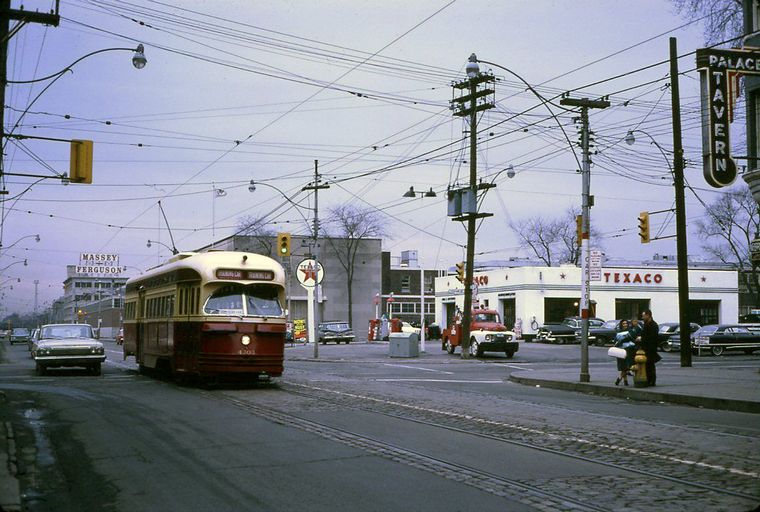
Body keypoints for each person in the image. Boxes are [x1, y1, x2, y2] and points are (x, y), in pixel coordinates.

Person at [636, 309, 660, 386]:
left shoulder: (653, 325)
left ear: (648, 315)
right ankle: (648, 379)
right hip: (646, 347)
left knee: (650, 365)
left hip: (650, 348)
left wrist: (641, 339)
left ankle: (651, 380)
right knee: (647, 365)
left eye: (643, 316)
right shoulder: (646, 324)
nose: (642, 317)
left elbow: (652, 337)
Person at [613, 320, 633, 385]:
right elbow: (616, 341)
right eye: (623, 323)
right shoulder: (618, 332)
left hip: (628, 349)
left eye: (626, 323)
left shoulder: (630, 331)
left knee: (626, 366)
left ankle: (621, 379)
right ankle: (624, 380)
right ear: (621, 324)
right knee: (623, 366)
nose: (625, 325)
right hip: (620, 350)